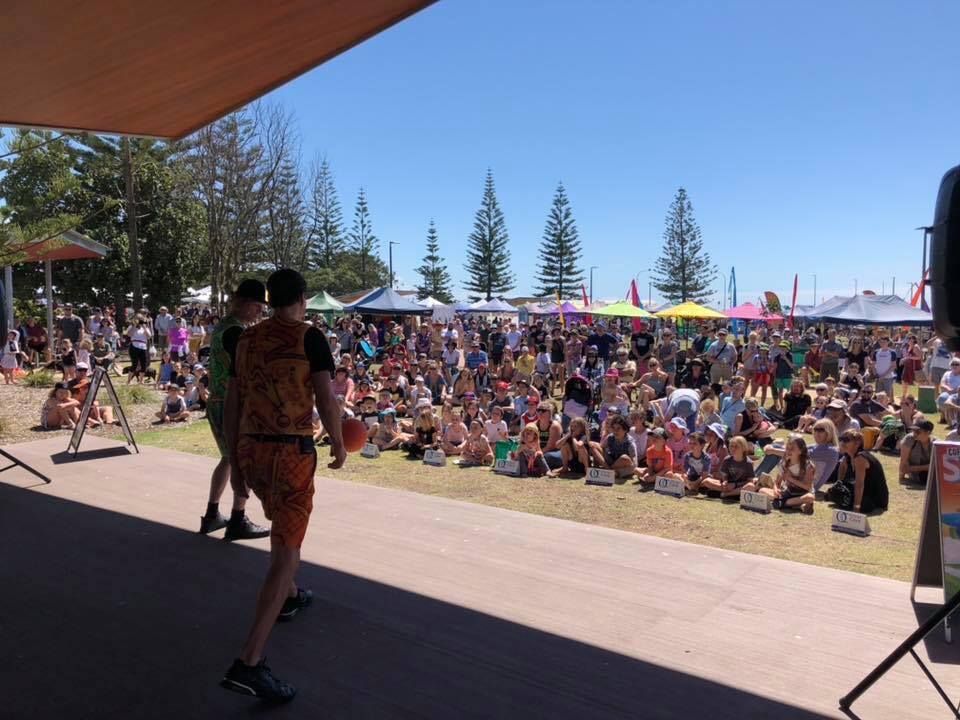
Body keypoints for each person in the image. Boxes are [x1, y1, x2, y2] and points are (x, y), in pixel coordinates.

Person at [220, 269, 345, 703]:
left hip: (253, 451)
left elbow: (233, 398)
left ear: (270, 299)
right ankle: (249, 662)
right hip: (291, 454)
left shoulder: (244, 339)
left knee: (282, 526)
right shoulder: (309, 337)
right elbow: (326, 398)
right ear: (303, 298)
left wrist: (236, 457)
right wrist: (340, 445)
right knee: (285, 553)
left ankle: (290, 597)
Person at [198, 280, 272, 540]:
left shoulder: (224, 326)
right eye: (257, 306)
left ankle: (212, 514)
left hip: (218, 401)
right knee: (242, 460)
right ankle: (238, 518)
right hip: (231, 403)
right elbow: (246, 368)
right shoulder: (236, 332)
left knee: (228, 459)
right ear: (245, 303)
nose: (260, 312)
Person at [747, 436, 815, 513]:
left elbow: (808, 487)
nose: (788, 451)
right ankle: (796, 505)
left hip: (803, 494)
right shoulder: (784, 462)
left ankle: (783, 503)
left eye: (792, 449)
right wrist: (776, 490)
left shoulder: (808, 466)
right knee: (762, 490)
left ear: (800, 451)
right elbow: (777, 483)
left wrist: (790, 479)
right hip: (788, 493)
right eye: (787, 448)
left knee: (810, 497)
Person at [827, 430, 889, 513]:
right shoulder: (847, 456)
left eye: (846, 440)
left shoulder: (860, 458)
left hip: (874, 496)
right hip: (863, 490)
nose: (842, 442)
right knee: (835, 493)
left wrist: (856, 507)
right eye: (841, 439)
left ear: (857, 443)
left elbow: (859, 484)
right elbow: (842, 468)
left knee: (850, 502)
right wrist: (839, 484)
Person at [698, 435, 754, 499]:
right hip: (728, 485)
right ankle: (734, 494)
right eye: (731, 446)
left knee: (750, 486)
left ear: (743, 448)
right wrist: (725, 481)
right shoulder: (727, 459)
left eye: (736, 447)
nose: (733, 449)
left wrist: (735, 485)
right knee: (706, 481)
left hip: (740, 486)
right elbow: (724, 476)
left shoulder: (748, 463)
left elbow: (750, 481)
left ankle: (727, 494)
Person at [899, 419, 934, 485]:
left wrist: (912, 468)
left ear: (928, 432)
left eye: (918, 431)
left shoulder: (935, 444)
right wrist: (901, 477)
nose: (914, 433)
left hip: (930, 473)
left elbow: (936, 466)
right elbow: (903, 461)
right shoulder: (909, 439)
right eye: (913, 430)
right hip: (917, 475)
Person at [125, 316, 152, 384]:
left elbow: (149, 336)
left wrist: (144, 327)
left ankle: (141, 380)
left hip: (143, 346)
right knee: (134, 364)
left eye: (141, 320)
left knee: (144, 364)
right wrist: (134, 326)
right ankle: (129, 380)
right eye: (139, 320)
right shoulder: (132, 326)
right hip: (134, 345)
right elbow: (129, 334)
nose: (140, 321)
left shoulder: (145, 327)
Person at [937, 358, 960, 424]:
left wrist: (957, 390)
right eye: (953, 364)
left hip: (958, 393)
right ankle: (944, 417)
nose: (954, 366)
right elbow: (942, 383)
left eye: (957, 364)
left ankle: (953, 420)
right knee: (942, 398)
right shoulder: (947, 373)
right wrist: (948, 389)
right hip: (948, 393)